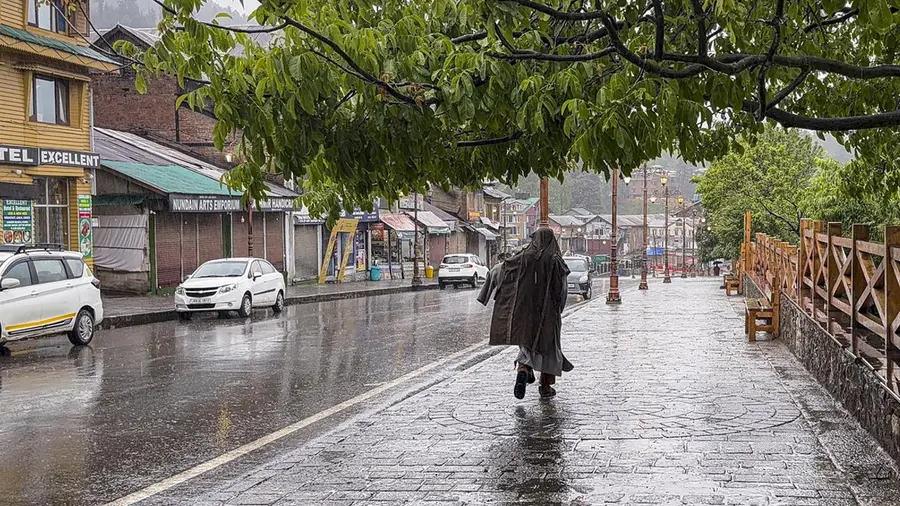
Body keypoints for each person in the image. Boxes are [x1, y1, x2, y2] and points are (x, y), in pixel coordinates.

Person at [478, 228, 573, 399]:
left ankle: (523, 369)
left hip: (524, 310)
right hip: (548, 312)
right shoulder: (556, 261)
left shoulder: (522, 258)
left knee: (527, 343)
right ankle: (545, 386)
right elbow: (562, 290)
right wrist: (558, 310)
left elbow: (499, 270)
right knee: (549, 348)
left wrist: (484, 295)